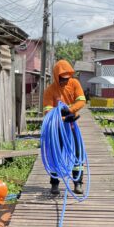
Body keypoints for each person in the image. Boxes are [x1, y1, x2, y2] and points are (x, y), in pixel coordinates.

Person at [42, 59, 86, 195]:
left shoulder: (74, 84)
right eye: (62, 79)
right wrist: (62, 117)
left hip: (72, 124)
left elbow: (81, 100)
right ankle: (54, 184)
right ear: (57, 77)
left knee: (77, 153)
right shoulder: (50, 90)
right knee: (56, 152)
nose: (65, 81)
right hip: (57, 127)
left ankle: (77, 183)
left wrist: (71, 110)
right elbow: (48, 110)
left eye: (67, 78)